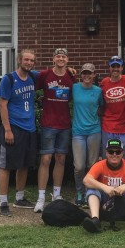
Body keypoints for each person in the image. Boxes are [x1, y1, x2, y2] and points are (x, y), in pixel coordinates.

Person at [0, 49, 38, 217]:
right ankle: (3, 202)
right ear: (19, 60)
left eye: (32, 60)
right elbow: (2, 105)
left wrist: (69, 71)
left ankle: (19, 197)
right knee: (5, 166)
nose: (29, 63)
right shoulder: (9, 79)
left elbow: (52, 74)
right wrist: (7, 129)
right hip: (13, 127)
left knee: (24, 164)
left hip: (30, 128)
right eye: (26, 60)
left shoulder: (33, 77)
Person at [34, 48, 75, 213]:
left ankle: (56, 194)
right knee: (45, 159)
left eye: (63, 56)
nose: (60, 59)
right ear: (53, 59)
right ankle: (41, 197)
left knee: (61, 158)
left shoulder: (71, 76)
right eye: (58, 56)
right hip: (48, 123)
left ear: (67, 59)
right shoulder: (45, 74)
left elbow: (72, 95)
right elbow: (31, 85)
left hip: (64, 123)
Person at [82, 138, 125, 234]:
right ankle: (95, 220)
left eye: (117, 152)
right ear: (106, 153)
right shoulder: (99, 165)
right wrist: (104, 187)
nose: (114, 154)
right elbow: (86, 180)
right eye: (111, 151)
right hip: (105, 206)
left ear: (122, 153)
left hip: (124, 204)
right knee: (91, 190)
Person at [71, 62, 104, 207]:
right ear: (80, 75)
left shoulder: (98, 91)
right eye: (84, 73)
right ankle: (79, 192)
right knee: (79, 166)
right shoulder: (74, 88)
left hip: (94, 131)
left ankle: (90, 191)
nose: (87, 76)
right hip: (78, 131)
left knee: (92, 164)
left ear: (94, 75)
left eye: (89, 73)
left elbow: (102, 107)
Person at [99, 55, 125, 156]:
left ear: (122, 67)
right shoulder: (104, 83)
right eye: (113, 66)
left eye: (118, 66)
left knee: (123, 157)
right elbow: (100, 103)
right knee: (108, 156)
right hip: (108, 126)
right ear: (109, 68)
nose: (115, 69)